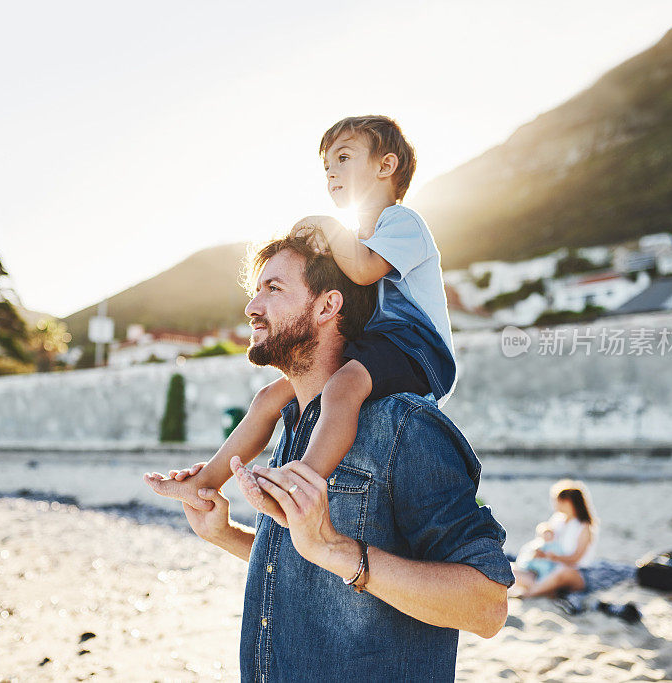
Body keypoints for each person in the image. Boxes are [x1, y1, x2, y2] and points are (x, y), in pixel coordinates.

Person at [144, 235, 512, 680]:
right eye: (255, 290)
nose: (252, 307)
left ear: (326, 306)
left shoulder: (405, 426)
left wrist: (339, 551)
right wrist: (223, 534)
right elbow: (307, 565)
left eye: (273, 289)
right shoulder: (293, 425)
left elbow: (487, 605)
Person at [144, 115, 456, 523]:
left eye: (343, 158)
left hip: (417, 347)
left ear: (386, 166)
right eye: (327, 168)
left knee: (343, 389)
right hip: (375, 342)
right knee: (269, 398)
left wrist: (326, 225)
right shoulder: (357, 235)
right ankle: (205, 480)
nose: (332, 174)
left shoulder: (402, 223)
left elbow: (363, 272)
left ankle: (301, 481)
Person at [510, 479, 599, 598]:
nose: (554, 505)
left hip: (574, 572)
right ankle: (547, 589)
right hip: (548, 569)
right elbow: (545, 540)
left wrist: (554, 557)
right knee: (511, 569)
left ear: (567, 502)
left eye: (557, 501)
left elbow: (576, 558)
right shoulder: (558, 520)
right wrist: (539, 552)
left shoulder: (584, 526)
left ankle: (530, 593)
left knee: (562, 573)